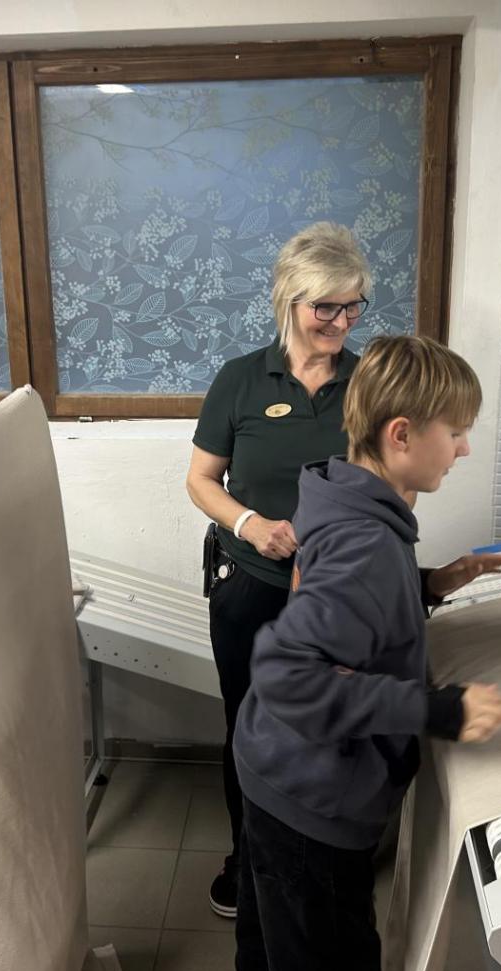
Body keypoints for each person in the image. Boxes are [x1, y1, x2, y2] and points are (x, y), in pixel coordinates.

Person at [231, 335, 501, 971]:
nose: (464, 450)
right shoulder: (367, 542)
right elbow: (288, 673)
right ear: (402, 434)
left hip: (274, 773)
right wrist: (440, 710)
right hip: (311, 802)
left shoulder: (343, 494)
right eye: (456, 432)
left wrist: (427, 584)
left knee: (270, 955)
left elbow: (345, 600)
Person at [185, 221, 373, 917]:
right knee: (250, 727)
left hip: (339, 594)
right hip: (252, 590)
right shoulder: (240, 379)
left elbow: (395, 481)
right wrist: (249, 525)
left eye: (352, 307)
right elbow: (202, 480)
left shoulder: (370, 381)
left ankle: (329, 858)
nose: (340, 322)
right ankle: (249, 859)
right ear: (288, 301)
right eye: (326, 307)